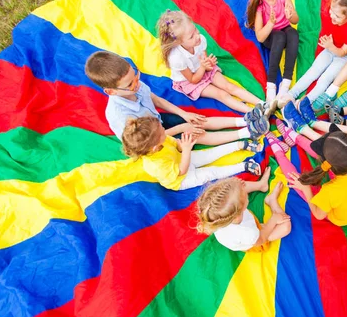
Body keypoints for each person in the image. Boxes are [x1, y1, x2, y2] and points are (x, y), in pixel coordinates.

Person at [85, 51, 270, 142]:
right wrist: (182, 126)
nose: (137, 83)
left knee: (196, 120)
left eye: (136, 75)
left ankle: (245, 120)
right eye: (130, 84)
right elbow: (149, 142)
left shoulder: (134, 85)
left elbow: (156, 100)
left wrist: (183, 114)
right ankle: (245, 133)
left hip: (156, 121)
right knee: (194, 133)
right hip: (152, 141)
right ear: (111, 91)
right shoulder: (122, 118)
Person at [157, 10, 264, 113]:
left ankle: (262, 104)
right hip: (190, 80)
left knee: (229, 86)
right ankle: (253, 112)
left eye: (195, 30)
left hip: (202, 69)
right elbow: (193, 79)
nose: (197, 36)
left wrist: (208, 63)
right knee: (221, 94)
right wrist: (203, 67)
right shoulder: (176, 58)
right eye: (191, 37)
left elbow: (204, 57)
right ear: (178, 42)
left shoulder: (200, 40)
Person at [121, 116, 263, 191]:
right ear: (154, 147)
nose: (165, 130)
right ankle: (244, 166)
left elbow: (176, 145)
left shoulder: (161, 140)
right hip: (181, 179)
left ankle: (241, 144)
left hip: (182, 158)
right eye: (162, 131)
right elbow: (182, 171)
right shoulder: (155, 165)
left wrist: (184, 143)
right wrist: (187, 150)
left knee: (209, 154)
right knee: (211, 173)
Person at [287, 126, 347, 226]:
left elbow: (318, 215)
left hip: (341, 220)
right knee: (335, 155)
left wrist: (306, 189)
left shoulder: (329, 191)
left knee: (300, 185)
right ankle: (295, 137)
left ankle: (284, 145)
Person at [246, 0, 299, 103]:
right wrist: (270, 23)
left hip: (284, 28)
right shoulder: (259, 2)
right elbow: (260, 37)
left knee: (293, 34)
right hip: (270, 36)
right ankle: (271, 86)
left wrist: (290, 15)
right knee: (280, 37)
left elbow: (296, 20)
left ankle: (285, 83)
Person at [196, 174, 292, 252]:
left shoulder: (214, 212)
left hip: (245, 226)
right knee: (286, 226)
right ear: (238, 214)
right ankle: (272, 201)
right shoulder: (248, 233)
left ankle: (261, 185)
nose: (246, 194)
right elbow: (262, 238)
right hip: (257, 239)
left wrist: (238, 186)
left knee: (238, 188)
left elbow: (236, 192)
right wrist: (273, 220)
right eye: (246, 197)